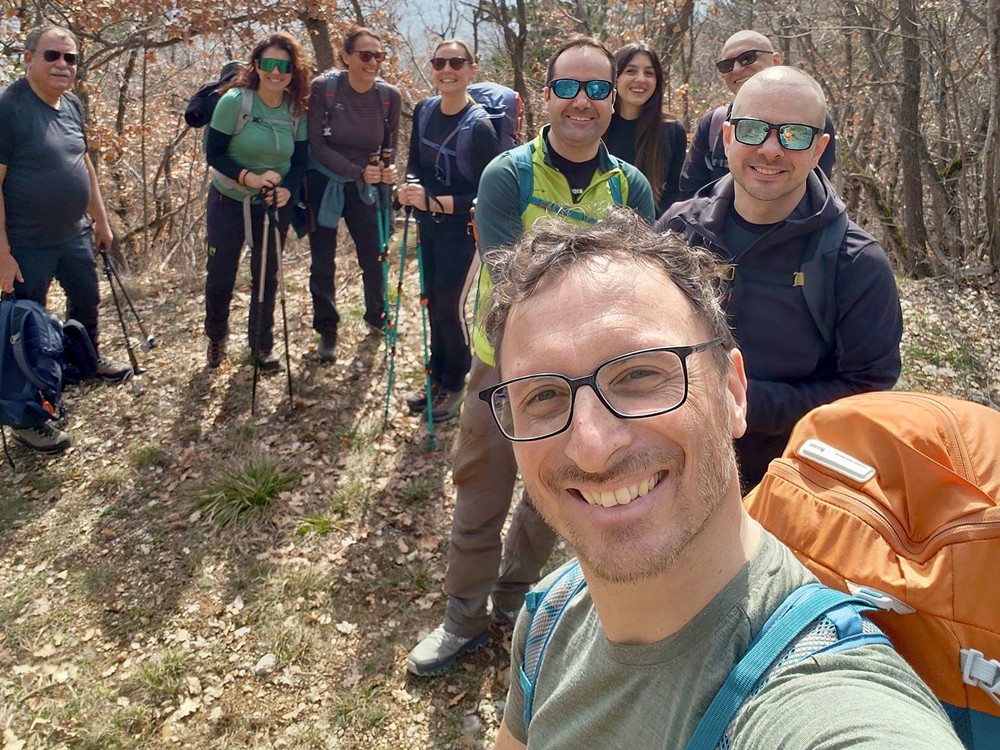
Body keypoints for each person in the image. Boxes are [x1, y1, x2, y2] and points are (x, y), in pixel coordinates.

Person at [481, 210, 962, 750]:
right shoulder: (550, 615)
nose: (592, 448)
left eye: (639, 374)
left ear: (733, 392)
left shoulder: (822, 698)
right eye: (543, 395)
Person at [407, 37, 655, 676]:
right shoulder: (508, 175)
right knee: (480, 489)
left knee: (561, 491)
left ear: (612, 102)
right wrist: (594, 274)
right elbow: (511, 277)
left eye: (596, 89)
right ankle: (463, 616)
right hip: (505, 366)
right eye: (568, 87)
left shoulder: (630, 186)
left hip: (591, 379)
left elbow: (638, 284)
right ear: (546, 96)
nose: (582, 101)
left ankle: (515, 595)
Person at [658, 67, 901, 488]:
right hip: (671, 473)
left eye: (794, 135)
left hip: (790, 488)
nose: (771, 149)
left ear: (819, 149)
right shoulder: (677, 232)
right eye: (753, 129)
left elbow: (868, 393)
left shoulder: (855, 263)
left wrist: (738, 398)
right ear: (728, 138)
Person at [0, 24, 131, 454]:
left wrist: (101, 220)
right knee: (24, 327)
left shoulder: (71, 104)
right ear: (28, 58)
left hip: (74, 233)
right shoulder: (9, 109)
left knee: (87, 302)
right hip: (26, 243)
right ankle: (28, 417)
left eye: (70, 58)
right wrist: (2, 254)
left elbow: (83, 163)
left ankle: (84, 363)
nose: (62, 65)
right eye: (52, 55)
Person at [397, 39, 500, 422]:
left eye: (456, 63)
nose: (447, 70)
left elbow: (488, 194)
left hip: (464, 231)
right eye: (439, 62)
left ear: (472, 70)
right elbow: (414, 164)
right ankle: (436, 375)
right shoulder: (424, 111)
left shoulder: (481, 128)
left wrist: (434, 202)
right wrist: (409, 187)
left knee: (449, 305)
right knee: (431, 300)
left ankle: (454, 384)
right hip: (428, 224)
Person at [203, 31, 309, 369]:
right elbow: (214, 153)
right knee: (221, 273)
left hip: (274, 202)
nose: (276, 72)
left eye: (284, 66)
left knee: (267, 276)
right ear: (257, 65)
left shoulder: (296, 109)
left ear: (294, 70)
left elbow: (301, 160)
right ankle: (216, 336)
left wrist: (288, 189)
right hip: (229, 198)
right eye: (269, 64)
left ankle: (262, 345)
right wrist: (249, 178)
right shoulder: (235, 101)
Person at [306, 27, 401, 363]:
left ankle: (377, 316)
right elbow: (317, 145)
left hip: (368, 186)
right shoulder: (323, 89)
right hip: (324, 183)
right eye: (365, 55)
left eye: (379, 56)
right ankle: (327, 329)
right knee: (322, 260)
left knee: (374, 256)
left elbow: (389, 146)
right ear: (345, 56)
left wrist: (387, 172)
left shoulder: (389, 96)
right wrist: (357, 171)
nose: (373, 62)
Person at [677, 30, 837, 202]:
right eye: (727, 65)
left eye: (747, 58)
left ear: (775, 61)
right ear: (727, 136)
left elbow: (817, 195)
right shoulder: (712, 123)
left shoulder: (812, 121)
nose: (736, 69)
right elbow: (690, 193)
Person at [602, 43, 687, 215]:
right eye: (631, 71)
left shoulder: (672, 132)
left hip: (653, 226)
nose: (641, 79)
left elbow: (676, 194)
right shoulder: (596, 124)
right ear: (614, 78)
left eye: (649, 73)